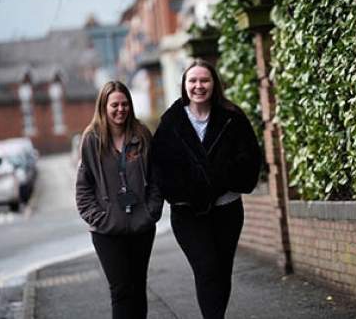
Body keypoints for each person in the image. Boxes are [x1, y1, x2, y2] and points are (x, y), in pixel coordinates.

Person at [151, 60, 262, 319]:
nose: (198, 86)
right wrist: (194, 191)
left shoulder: (233, 117)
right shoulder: (171, 122)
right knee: (207, 268)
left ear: (214, 84)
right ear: (184, 85)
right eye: (193, 81)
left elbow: (250, 160)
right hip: (188, 215)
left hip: (227, 210)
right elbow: (162, 169)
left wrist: (217, 180)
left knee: (222, 270)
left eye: (204, 80)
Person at [75, 80, 163, 319]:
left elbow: (156, 180)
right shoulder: (92, 140)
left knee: (137, 287)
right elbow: (83, 189)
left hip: (141, 227)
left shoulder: (141, 134)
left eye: (125, 104)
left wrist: (150, 212)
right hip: (107, 232)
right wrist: (101, 219)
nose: (120, 109)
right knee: (121, 290)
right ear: (103, 107)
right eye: (114, 105)